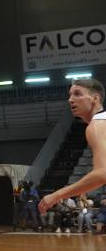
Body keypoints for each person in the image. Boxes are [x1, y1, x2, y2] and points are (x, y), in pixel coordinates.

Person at [40, 79, 106, 218]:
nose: (70, 100)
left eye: (77, 94)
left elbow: (102, 173)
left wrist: (57, 195)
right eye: (70, 95)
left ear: (95, 98)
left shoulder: (97, 125)